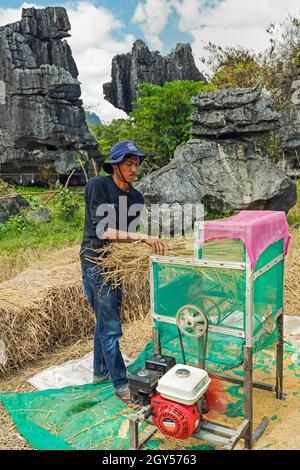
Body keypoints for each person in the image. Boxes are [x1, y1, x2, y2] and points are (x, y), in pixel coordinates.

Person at [80, 140, 167, 404]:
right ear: (115, 165)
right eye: (129, 164)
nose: (134, 169)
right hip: (95, 262)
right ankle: (120, 384)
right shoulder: (98, 185)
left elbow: (122, 239)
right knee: (111, 328)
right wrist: (142, 239)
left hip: (115, 265)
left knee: (105, 322)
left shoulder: (136, 198)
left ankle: (100, 372)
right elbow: (102, 231)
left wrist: (138, 247)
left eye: (137, 164)